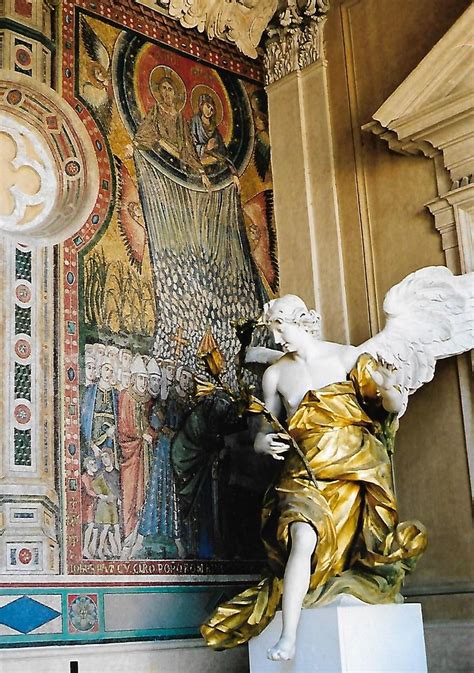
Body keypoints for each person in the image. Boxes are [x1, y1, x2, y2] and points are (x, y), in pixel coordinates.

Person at [201, 294, 427, 660]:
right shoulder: (275, 375)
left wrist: (389, 390)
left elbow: (390, 407)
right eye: (272, 331)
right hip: (302, 471)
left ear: (302, 322)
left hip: (354, 469)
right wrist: (261, 443)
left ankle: (307, 620)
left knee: (350, 549)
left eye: (281, 328)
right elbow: (263, 425)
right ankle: (289, 636)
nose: (276, 340)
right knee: (301, 537)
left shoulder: (347, 357)